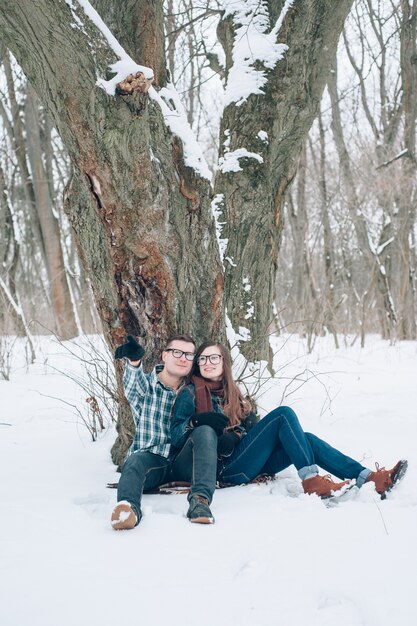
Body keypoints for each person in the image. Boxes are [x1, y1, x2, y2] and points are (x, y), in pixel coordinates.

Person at [170, 341, 408, 524]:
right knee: (283, 414)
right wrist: (198, 422)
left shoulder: (233, 393)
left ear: (224, 363)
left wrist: (240, 433)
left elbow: (251, 433)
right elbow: (177, 437)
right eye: (203, 358)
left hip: (246, 460)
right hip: (223, 469)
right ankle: (311, 481)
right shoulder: (190, 393)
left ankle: (370, 479)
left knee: (307, 440)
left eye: (214, 357)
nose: (208, 362)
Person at [110, 333, 196, 530]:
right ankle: (128, 509)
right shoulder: (147, 385)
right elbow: (133, 387)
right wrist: (134, 362)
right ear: (164, 356)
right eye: (177, 352)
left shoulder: (193, 390)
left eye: (189, 355)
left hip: (182, 460)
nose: (183, 358)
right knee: (135, 461)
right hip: (152, 460)